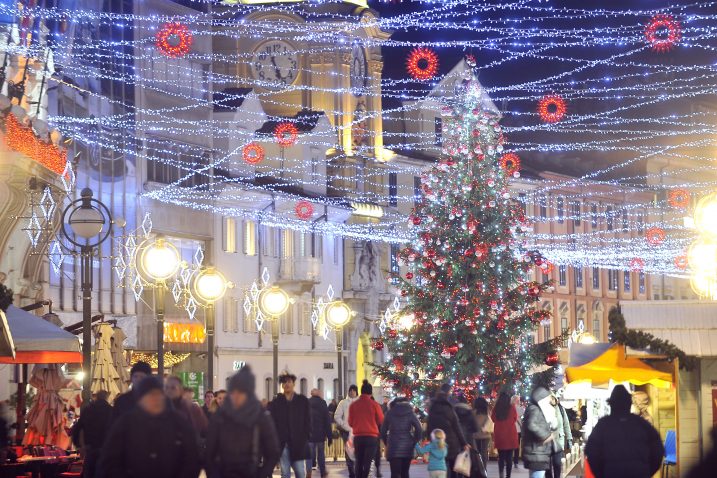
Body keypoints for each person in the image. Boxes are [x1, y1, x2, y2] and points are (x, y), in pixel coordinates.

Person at [100, 376, 200, 478]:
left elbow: (192, 458)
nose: (156, 399)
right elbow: (110, 462)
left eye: (159, 394)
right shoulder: (125, 424)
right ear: (140, 399)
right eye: (150, 395)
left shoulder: (178, 423)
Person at [206, 366, 281, 478]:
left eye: (241, 392)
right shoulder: (221, 415)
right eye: (234, 391)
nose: (236, 396)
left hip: (250, 472)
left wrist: (261, 474)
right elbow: (210, 452)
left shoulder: (260, 416)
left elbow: (272, 451)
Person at [585, 385, 663, 478]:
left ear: (611, 404)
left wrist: (602, 474)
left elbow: (591, 452)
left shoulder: (603, 425)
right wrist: (646, 472)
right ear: (629, 403)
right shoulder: (642, 424)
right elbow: (658, 450)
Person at [268, 373, 311, 478]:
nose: (286, 384)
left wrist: (305, 437)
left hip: (298, 443)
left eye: (289, 382)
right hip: (283, 444)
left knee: (300, 472)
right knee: (285, 473)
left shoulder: (302, 400)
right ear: (282, 385)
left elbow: (308, 420)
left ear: (293, 384)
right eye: (284, 382)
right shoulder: (277, 402)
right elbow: (272, 421)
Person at [427, 383, 468, 478]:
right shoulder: (449, 408)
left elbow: (429, 426)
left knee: (441, 467)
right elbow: (457, 426)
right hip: (451, 442)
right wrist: (464, 443)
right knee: (454, 469)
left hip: (437, 442)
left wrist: (430, 439)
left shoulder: (432, 408)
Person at [71, 390, 113, 478]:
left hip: (90, 447)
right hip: (106, 448)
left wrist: (78, 444)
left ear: (96, 397)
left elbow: (77, 428)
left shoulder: (88, 410)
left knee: (89, 472)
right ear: (106, 397)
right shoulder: (111, 411)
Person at [348, 380, 384, 478]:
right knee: (367, 462)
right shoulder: (375, 405)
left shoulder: (353, 405)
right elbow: (381, 420)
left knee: (359, 461)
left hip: (358, 437)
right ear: (371, 392)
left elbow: (350, 422)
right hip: (371, 437)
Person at [380, 397, 422, 478]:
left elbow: (383, 430)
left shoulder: (390, 413)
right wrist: (414, 441)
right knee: (405, 473)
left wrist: (387, 442)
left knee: (394, 473)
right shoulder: (410, 413)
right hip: (407, 447)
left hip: (393, 446)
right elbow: (418, 428)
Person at [521, 386, 555, 478]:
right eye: (547, 398)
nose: (549, 400)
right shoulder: (535, 409)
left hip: (538, 452)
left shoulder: (537, 409)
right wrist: (546, 436)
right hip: (536, 453)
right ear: (542, 398)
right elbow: (531, 425)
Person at [492, 392, 519, 478]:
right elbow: (515, 418)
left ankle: (501, 475)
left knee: (501, 457)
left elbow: (493, 419)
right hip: (511, 434)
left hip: (500, 434)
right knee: (509, 457)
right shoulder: (512, 407)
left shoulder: (496, 408)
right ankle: (508, 476)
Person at [335, 384, 359, 478]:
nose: (352, 392)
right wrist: (343, 425)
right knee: (348, 452)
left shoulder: (359, 402)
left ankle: (357, 470)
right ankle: (351, 472)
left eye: (354, 390)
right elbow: (337, 416)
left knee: (357, 451)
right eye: (351, 390)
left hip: (357, 431)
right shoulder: (343, 403)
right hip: (346, 431)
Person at [545, 395, 572, 478]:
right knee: (547, 466)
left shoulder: (561, 409)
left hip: (559, 441)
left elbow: (566, 424)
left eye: (553, 398)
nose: (552, 400)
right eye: (550, 398)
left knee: (557, 463)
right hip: (547, 441)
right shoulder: (544, 409)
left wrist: (569, 438)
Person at [308, 389, 332, 478]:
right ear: (318, 394)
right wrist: (329, 436)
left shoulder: (307, 402)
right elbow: (327, 420)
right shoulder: (323, 403)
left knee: (309, 454)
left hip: (309, 434)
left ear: (311, 394)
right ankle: (322, 472)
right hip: (320, 434)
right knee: (321, 454)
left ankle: (308, 473)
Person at [472, 397, 492, 469]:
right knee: (484, 452)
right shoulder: (487, 412)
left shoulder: (473, 412)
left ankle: (477, 468)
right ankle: (484, 468)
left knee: (476, 452)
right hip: (486, 435)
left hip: (476, 435)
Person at [511, 396, 524, 466]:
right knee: (516, 446)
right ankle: (515, 461)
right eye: (518, 400)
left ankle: (509, 460)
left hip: (511, 428)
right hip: (517, 429)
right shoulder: (518, 408)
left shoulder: (510, 407)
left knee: (510, 445)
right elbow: (522, 413)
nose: (519, 401)